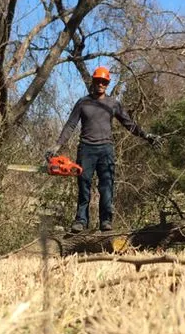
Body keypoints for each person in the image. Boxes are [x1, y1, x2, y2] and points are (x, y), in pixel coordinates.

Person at [48, 66, 159, 233]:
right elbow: (70, 125)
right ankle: (81, 220)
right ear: (93, 82)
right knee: (84, 185)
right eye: (98, 81)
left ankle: (106, 220)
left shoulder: (113, 104)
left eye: (104, 82)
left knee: (107, 186)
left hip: (106, 150)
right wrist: (57, 145)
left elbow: (128, 124)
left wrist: (146, 136)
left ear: (107, 84)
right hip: (86, 149)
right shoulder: (83, 103)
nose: (101, 84)